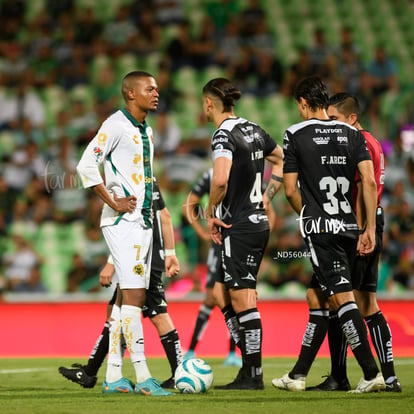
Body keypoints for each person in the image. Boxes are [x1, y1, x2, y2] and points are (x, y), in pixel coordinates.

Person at [271, 76, 386, 393]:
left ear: (303, 104)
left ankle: (371, 372)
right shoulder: (353, 133)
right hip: (350, 226)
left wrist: (308, 215)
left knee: (342, 298)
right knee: (316, 295)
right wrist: (369, 229)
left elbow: (290, 189)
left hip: (321, 229)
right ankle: (297, 375)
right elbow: (369, 182)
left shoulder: (294, 133)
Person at [76, 71, 171, 396]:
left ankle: (114, 376)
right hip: (123, 223)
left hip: (142, 223)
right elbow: (86, 165)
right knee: (135, 297)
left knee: (122, 303)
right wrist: (113, 201)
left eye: (157, 88)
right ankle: (144, 377)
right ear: (131, 93)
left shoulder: (145, 129)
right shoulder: (115, 124)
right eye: (150, 88)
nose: (156, 93)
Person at [306, 92, 400, 392]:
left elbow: (366, 188)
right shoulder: (370, 142)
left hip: (360, 226)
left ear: (351, 119)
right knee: (363, 302)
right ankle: (387, 376)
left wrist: (365, 229)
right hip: (369, 223)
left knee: (345, 301)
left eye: (334, 119)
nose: (330, 125)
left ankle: (348, 376)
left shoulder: (360, 144)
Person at [58, 177, 182, 389]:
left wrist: (110, 263)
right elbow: (166, 216)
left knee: (157, 313)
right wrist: (170, 253)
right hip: (152, 255)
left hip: (141, 257)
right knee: (115, 309)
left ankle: (179, 372)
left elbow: (128, 229)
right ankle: (91, 370)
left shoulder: (130, 181)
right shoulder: (150, 180)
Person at [202, 77, 284, 389]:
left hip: (240, 227)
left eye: (204, 103)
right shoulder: (253, 128)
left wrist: (211, 211)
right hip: (255, 221)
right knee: (221, 293)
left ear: (209, 103)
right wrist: (268, 194)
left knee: (243, 298)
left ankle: (253, 373)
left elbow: (220, 180)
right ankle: (248, 364)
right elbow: (280, 159)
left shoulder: (222, 135)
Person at [181, 168, 242, 367]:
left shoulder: (247, 169)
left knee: (235, 297)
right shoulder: (211, 175)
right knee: (210, 297)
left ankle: (233, 353)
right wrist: (202, 233)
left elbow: (268, 208)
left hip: (241, 241)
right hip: (218, 243)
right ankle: (190, 350)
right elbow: (189, 205)